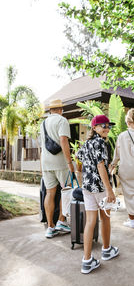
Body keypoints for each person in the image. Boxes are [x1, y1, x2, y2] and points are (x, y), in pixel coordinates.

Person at [77, 115, 119, 274]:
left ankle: (86, 261)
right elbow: (101, 166)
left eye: (108, 126)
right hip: (100, 187)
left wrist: (81, 175)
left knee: (90, 222)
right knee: (105, 218)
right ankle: (107, 250)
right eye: (103, 126)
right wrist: (109, 190)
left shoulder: (87, 143)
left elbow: (78, 157)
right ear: (94, 127)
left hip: (87, 187)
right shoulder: (101, 142)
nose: (106, 128)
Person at [40, 99, 74, 238]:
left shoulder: (43, 123)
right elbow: (63, 141)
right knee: (66, 191)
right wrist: (69, 162)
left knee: (50, 193)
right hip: (60, 162)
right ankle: (61, 221)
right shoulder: (62, 120)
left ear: (50, 110)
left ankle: (50, 226)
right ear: (60, 109)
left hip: (46, 163)